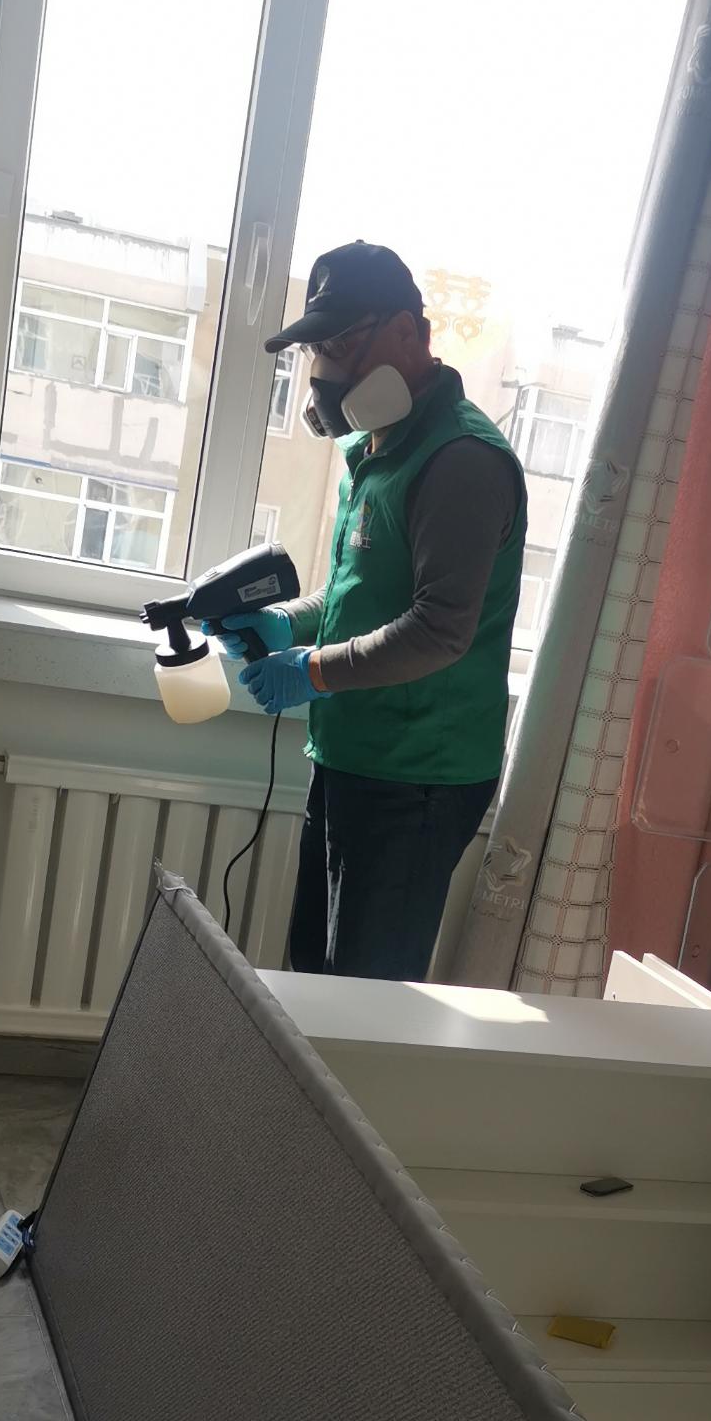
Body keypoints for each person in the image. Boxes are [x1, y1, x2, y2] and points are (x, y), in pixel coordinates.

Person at [222, 242, 526, 982]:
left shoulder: (461, 461)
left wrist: (312, 671)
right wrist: (288, 624)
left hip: (417, 775)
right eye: (317, 350)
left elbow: (439, 629)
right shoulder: (377, 450)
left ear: (408, 333)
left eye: (340, 345)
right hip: (354, 752)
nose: (326, 371)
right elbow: (357, 592)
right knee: (314, 974)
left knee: (365, 996)